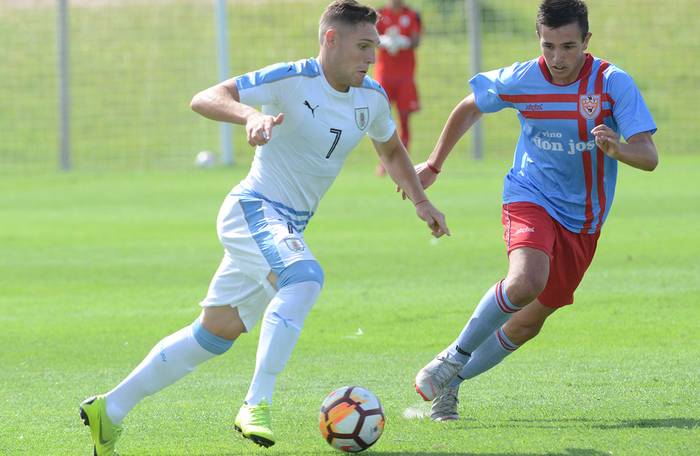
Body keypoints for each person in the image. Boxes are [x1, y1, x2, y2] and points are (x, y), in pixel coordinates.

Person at [78, 1, 450, 454]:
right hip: (253, 208)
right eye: (363, 46)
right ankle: (256, 403)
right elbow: (207, 97)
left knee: (215, 332)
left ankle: (110, 409)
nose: (371, 57)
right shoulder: (292, 78)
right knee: (304, 277)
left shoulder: (370, 98)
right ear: (330, 39)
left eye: (374, 46)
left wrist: (421, 200)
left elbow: (390, 151)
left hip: (285, 225)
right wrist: (250, 116)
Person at [412, 0, 658, 421]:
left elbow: (649, 156)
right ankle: (453, 356)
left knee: (526, 324)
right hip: (530, 194)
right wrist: (434, 164)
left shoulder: (612, 83)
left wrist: (619, 149)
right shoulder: (524, 77)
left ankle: (451, 383)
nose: (558, 58)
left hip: (584, 219)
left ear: (586, 41)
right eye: (549, 46)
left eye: (567, 46)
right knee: (525, 280)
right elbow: (471, 104)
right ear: (538, 40)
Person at [374, 0, 422, 176]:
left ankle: (404, 163)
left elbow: (416, 40)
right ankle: (384, 162)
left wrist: (404, 42)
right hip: (384, 76)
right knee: (381, 120)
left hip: (405, 77)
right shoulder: (379, 14)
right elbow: (371, 38)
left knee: (404, 120)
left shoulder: (411, 15)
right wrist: (384, 41)